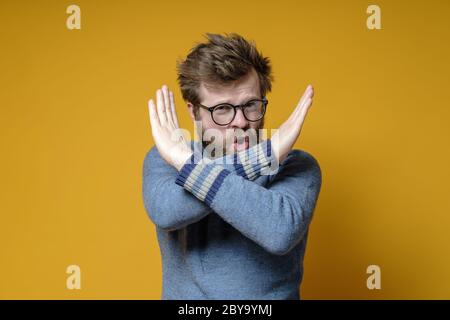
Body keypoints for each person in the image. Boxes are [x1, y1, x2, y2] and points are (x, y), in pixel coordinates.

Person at [142, 33, 322, 299]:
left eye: (250, 105)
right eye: (223, 109)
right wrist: (265, 156)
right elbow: (167, 212)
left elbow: (278, 233)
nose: (240, 122)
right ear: (194, 112)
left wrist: (187, 165)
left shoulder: (297, 165)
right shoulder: (167, 158)